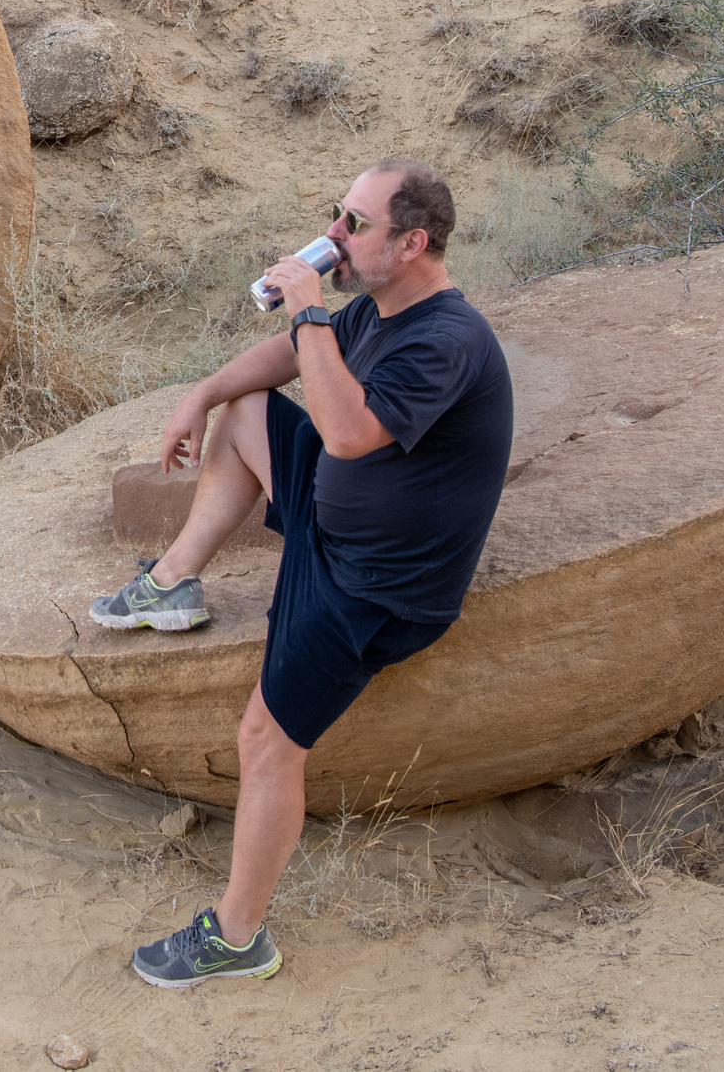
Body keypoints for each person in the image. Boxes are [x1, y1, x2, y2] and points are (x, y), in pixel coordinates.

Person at [91, 158, 514, 989]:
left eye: (354, 224)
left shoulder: (446, 338)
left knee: (266, 739)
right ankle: (173, 581)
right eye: (337, 214)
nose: (334, 236)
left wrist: (315, 310)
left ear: (413, 240)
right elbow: (283, 363)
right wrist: (200, 393)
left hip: (372, 585)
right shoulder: (378, 310)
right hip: (331, 523)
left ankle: (239, 936)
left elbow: (352, 433)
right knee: (247, 408)